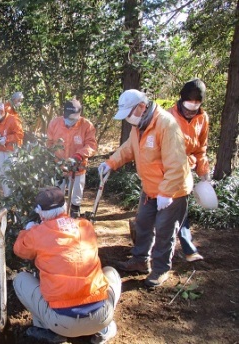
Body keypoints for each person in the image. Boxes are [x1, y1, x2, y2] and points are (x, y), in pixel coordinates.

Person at [98, 89, 193, 288]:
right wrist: (111, 163)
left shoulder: (166, 124)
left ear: (141, 107)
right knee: (143, 224)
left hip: (172, 191)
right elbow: (129, 148)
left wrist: (166, 193)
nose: (127, 120)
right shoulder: (139, 126)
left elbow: (176, 164)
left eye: (129, 114)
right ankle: (140, 260)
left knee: (164, 231)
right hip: (150, 188)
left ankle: (160, 270)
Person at [13, 187, 121, 344]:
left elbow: (19, 250)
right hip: (101, 315)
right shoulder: (85, 226)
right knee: (111, 272)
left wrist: (27, 230)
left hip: (61, 322)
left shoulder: (38, 233)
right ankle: (104, 329)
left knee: (20, 279)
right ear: (65, 207)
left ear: (40, 212)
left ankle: (45, 329)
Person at [168, 79, 209, 262]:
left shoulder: (202, 118)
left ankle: (188, 249)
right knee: (160, 210)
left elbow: (201, 148)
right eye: (189, 101)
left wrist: (203, 172)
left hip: (186, 170)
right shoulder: (168, 116)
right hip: (166, 169)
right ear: (181, 99)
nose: (192, 106)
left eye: (196, 102)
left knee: (182, 209)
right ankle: (152, 247)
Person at [47, 99, 97, 218]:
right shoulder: (55, 123)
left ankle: (75, 211)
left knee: (76, 192)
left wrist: (79, 155)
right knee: (57, 192)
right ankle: (57, 215)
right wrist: (53, 158)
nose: (71, 121)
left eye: (74, 118)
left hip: (78, 166)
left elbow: (91, 145)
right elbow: (48, 143)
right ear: (64, 114)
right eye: (69, 118)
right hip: (59, 165)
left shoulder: (86, 125)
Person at [0, 101, 24, 197]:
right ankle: (6, 196)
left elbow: (20, 134)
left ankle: (13, 197)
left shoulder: (13, 120)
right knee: (1, 173)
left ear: (1, 112)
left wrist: (7, 139)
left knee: (10, 174)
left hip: (12, 151)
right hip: (2, 150)